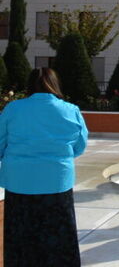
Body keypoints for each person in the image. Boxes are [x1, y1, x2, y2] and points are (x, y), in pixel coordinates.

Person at [0, 68, 88, 267]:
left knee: (21, 239)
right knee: (59, 240)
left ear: (29, 85)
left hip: (19, 183)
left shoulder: (14, 109)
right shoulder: (70, 109)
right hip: (56, 183)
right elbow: (79, 145)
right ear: (55, 84)